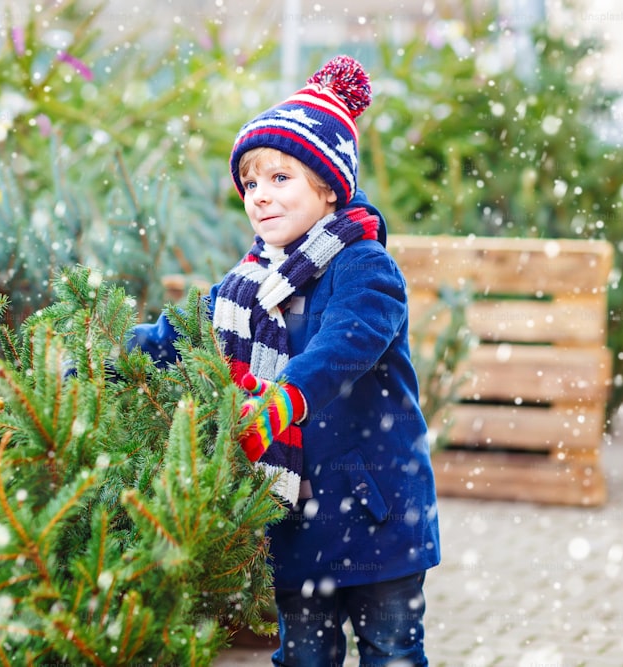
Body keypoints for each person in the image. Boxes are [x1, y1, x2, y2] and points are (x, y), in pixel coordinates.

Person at [128, 55, 440, 666]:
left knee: (391, 651)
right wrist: (101, 358)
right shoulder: (245, 286)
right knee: (303, 656)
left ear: (328, 188)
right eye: (250, 182)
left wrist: (283, 401)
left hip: (376, 513)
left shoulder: (364, 267)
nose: (259, 197)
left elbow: (343, 346)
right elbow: (178, 334)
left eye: (280, 178)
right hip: (295, 520)